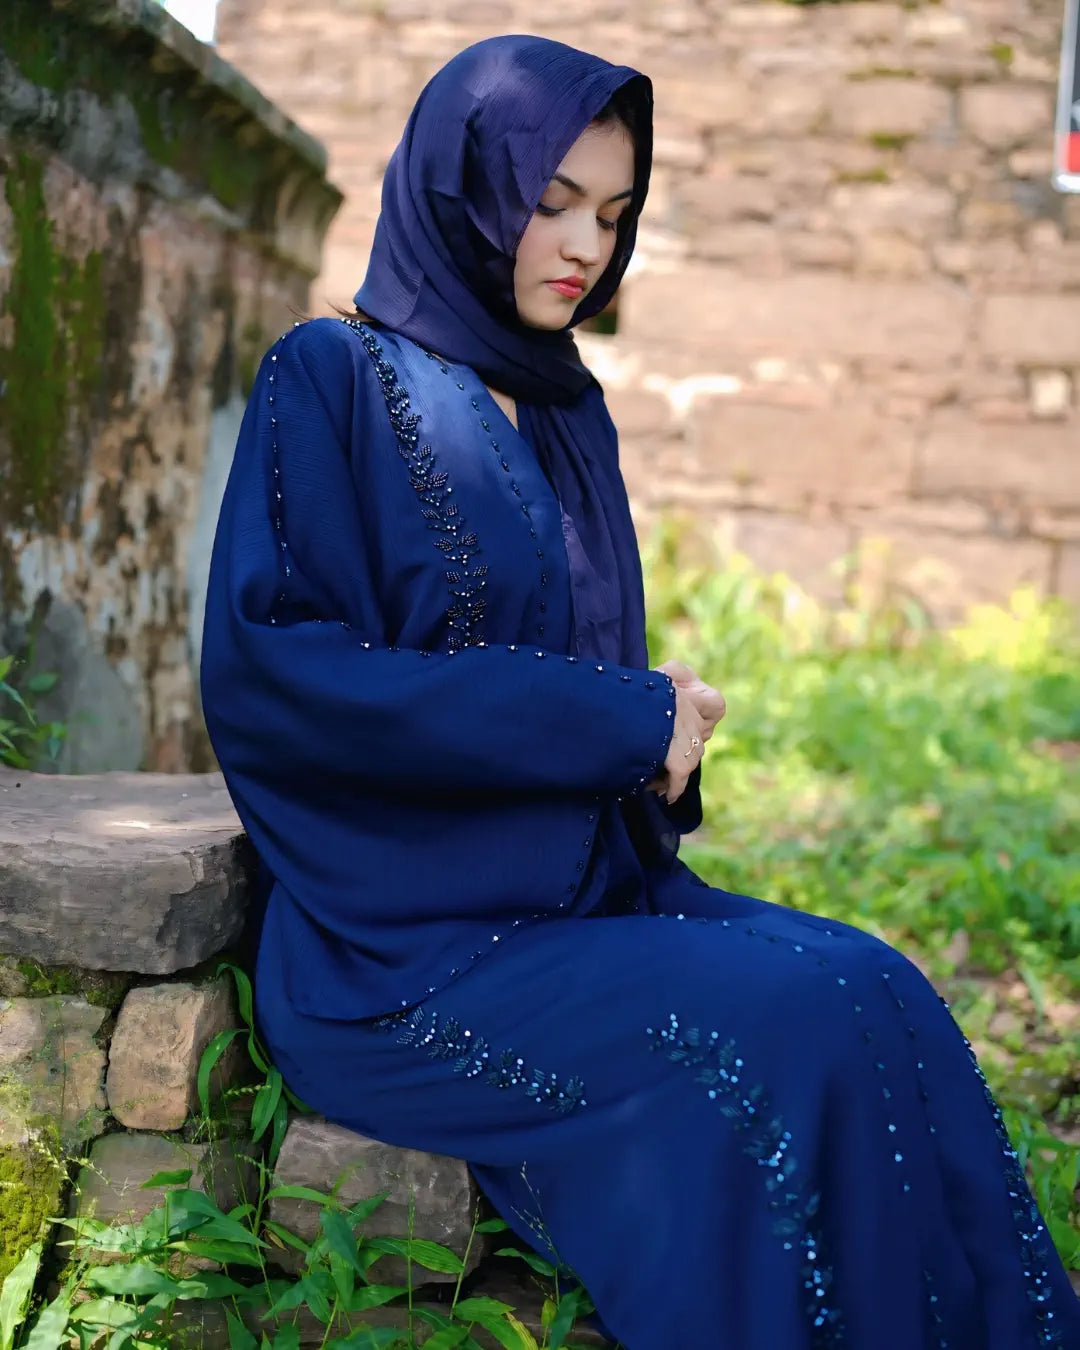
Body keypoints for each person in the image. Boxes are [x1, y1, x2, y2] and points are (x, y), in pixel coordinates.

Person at [200, 35, 1080, 1350]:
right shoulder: (328, 381)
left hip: (583, 903)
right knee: (786, 1024)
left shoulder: (566, 411)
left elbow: (586, 665)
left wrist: (658, 727)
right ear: (463, 188)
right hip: (398, 956)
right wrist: (616, 719)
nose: (584, 245)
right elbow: (285, 676)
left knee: (873, 984)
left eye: (612, 214)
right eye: (549, 201)